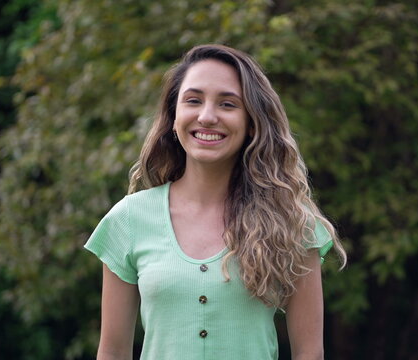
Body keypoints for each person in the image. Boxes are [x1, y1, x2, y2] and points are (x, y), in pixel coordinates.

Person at [84, 44, 346, 360]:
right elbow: (112, 353)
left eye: (228, 104)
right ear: (173, 115)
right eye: (193, 101)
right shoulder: (128, 219)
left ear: (252, 122)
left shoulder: (293, 223)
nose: (207, 117)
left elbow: (309, 355)